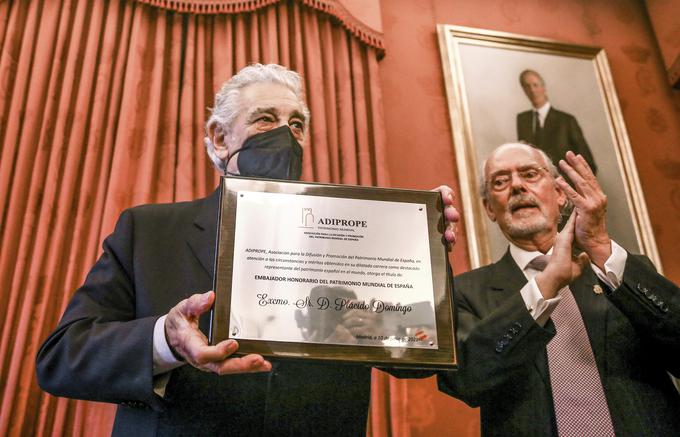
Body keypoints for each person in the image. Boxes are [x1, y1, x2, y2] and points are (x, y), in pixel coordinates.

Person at [35, 63, 460, 436]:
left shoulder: (355, 235)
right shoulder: (147, 230)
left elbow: (415, 357)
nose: (285, 136)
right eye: (264, 120)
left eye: (296, 125)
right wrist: (166, 339)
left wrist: (420, 261)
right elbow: (63, 357)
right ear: (220, 139)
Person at [438, 142, 680, 436]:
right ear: (490, 207)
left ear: (561, 194)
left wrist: (601, 248)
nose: (516, 186)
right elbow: (466, 380)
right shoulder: (466, 292)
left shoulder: (618, 270)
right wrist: (545, 286)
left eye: (529, 174)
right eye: (500, 181)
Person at [517, 69, 597, 175]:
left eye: (535, 85)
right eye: (527, 86)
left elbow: (588, 163)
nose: (532, 90)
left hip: (564, 186)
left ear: (544, 88)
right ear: (524, 90)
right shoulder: (522, 120)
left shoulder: (566, 121)